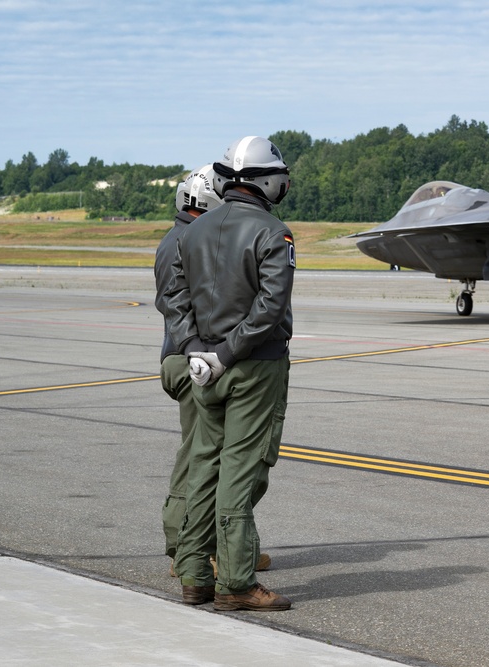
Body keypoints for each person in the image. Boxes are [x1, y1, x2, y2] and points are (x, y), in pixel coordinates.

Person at [163, 136, 295, 611]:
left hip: (204, 369)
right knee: (241, 467)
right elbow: (270, 306)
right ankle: (236, 582)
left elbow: (173, 299)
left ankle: (195, 574)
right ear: (268, 182)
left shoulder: (193, 232)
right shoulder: (273, 233)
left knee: (204, 465)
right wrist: (227, 352)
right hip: (254, 367)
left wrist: (196, 349)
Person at [154, 165, 272, 580]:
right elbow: (176, 302)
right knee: (205, 458)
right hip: (193, 361)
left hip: (182, 358)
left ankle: (211, 548)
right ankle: (191, 550)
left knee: (207, 456)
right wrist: (202, 352)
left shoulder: (176, 237)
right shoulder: (189, 239)